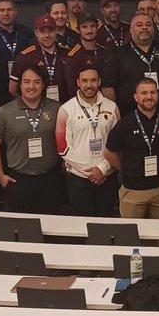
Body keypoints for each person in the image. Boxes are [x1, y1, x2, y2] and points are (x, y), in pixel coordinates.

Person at [0, 66, 62, 214]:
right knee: (21, 228)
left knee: (52, 227)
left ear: (43, 85)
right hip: (18, 180)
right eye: (27, 82)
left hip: (50, 179)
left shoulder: (57, 109)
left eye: (36, 82)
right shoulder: (4, 112)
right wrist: (0, 176)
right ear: (20, 85)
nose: (31, 86)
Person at [104, 77, 159, 219]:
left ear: (158, 95)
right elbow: (108, 152)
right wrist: (126, 169)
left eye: (152, 92)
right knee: (131, 237)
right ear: (136, 97)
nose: (149, 97)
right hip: (133, 191)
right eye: (144, 93)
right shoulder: (125, 124)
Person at [57, 64, 121, 218]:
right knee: (80, 223)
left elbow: (118, 145)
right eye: (85, 81)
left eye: (93, 80)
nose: (89, 85)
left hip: (106, 176)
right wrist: (90, 172)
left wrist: (102, 169)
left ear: (99, 82)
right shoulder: (66, 110)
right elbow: (63, 147)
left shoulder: (112, 107)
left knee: (105, 222)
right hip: (78, 178)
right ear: (78, 82)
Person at [103, 12, 159, 117]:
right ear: (131, 30)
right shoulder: (118, 55)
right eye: (139, 25)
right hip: (129, 117)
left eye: (148, 24)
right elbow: (108, 87)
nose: (144, 28)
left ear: (153, 28)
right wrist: (112, 113)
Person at [10, 14, 72, 102]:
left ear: (56, 31)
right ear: (36, 33)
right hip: (37, 109)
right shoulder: (24, 56)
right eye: (42, 31)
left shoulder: (68, 54)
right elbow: (13, 89)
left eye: (50, 30)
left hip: (66, 107)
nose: (47, 35)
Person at [0, 0, 35, 78]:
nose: (6, 13)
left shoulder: (26, 33)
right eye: (2, 10)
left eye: (9, 10)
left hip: (23, 82)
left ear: (15, 11)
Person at [64, 12, 108, 94]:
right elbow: (72, 88)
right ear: (78, 29)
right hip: (82, 103)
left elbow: (109, 81)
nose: (89, 30)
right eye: (84, 27)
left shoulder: (104, 52)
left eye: (92, 26)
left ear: (97, 28)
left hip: (104, 101)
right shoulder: (73, 56)